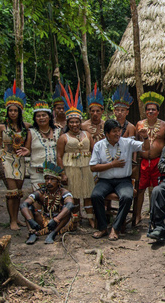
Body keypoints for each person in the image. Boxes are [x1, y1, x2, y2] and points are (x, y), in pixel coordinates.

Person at [90, 120, 149, 240]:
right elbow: (93, 167)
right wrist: (112, 164)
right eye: (114, 131)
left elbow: (146, 148)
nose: (117, 134)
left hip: (123, 180)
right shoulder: (99, 145)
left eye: (119, 131)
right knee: (95, 195)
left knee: (127, 197)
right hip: (104, 180)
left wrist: (146, 137)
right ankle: (102, 228)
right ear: (107, 133)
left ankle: (115, 228)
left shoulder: (127, 142)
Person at [56, 82, 95, 227]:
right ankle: (75, 219)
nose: (74, 124)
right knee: (75, 196)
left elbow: (94, 150)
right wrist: (62, 174)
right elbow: (59, 156)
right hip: (70, 168)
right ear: (68, 122)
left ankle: (90, 218)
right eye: (71, 122)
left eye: (76, 121)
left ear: (80, 122)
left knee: (88, 194)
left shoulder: (87, 134)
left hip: (86, 168)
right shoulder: (63, 137)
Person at [0, 81, 31, 230]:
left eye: (15, 111)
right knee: (11, 191)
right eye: (11, 110)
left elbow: (28, 144)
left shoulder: (26, 126)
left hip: (20, 160)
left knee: (18, 192)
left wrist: (27, 150)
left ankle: (17, 218)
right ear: (7, 111)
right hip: (6, 159)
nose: (13, 113)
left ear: (20, 111)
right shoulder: (1, 127)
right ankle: (12, 221)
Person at [135, 92, 165, 224]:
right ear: (145, 111)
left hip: (158, 162)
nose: (150, 111)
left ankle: (156, 215)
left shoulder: (164, 126)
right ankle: (137, 214)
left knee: (158, 189)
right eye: (148, 109)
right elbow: (135, 144)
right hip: (143, 162)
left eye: (153, 109)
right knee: (140, 189)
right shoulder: (139, 125)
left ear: (158, 112)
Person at [20, 161, 75, 244]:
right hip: (44, 221)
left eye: (52, 179)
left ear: (58, 182)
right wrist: (30, 220)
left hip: (59, 223)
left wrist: (56, 219)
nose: (49, 182)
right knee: (29, 208)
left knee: (67, 210)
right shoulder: (41, 192)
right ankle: (32, 232)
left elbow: (70, 204)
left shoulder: (64, 192)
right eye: (47, 179)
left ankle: (53, 234)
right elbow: (24, 204)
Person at [26, 101, 61, 191]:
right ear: (35, 119)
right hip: (38, 171)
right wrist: (26, 151)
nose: (41, 118)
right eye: (38, 116)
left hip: (55, 170)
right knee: (39, 197)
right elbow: (28, 149)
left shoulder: (58, 131)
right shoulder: (31, 132)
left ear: (49, 117)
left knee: (54, 197)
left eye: (44, 115)